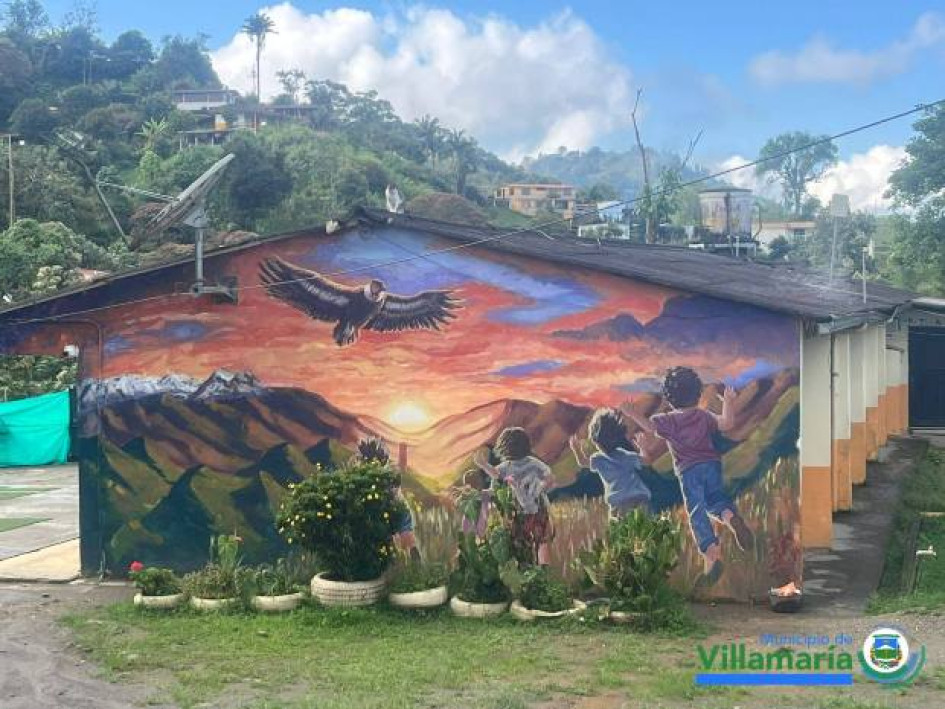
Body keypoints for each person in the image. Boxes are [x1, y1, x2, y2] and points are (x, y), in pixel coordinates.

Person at [623, 367, 753, 585]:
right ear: (697, 393)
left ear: (669, 397)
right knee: (715, 500)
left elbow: (649, 427)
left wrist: (632, 412)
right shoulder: (702, 415)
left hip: (689, 470)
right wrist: (728, 402)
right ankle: (731, 517)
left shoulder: (668, 420)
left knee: (697, 512)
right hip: (711, 464)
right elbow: (727, 424)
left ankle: (711, 553)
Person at [474, 427, 554, 566]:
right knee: (542, 540)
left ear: (504, 448)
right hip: (536, 510)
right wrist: (541, 486)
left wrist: (484, 465)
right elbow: (549, 477)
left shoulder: (506, 466)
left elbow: (496, 477)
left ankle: (529, 568)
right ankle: (543, 569)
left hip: (518, 513)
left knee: (523, 541)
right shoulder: (533, 463)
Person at [569, 408, 651, 519]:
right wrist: (643, 448)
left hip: (617, 503)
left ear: (595, 440)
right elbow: (646, 461)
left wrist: (577, 450)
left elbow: (582, 462)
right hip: (639, 498)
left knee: (620, 532)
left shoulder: (598, 459)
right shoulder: (624, 455)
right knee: (642, 530)